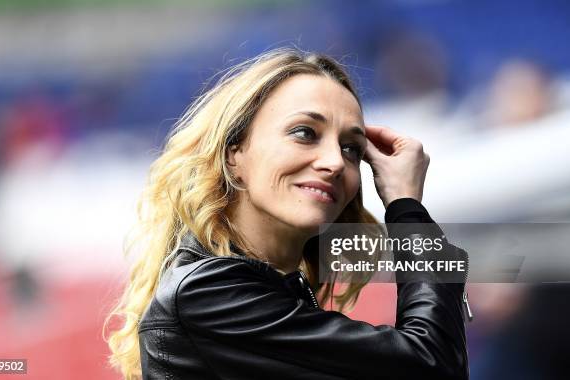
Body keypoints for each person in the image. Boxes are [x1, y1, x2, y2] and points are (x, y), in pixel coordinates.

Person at [104, 48, 470, 380]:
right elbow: (430, 365)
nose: (333, 162)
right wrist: (407, 209)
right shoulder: (208, 294)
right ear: (234, 154)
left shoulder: (256, 293)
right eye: (304, 133)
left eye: (351, 149)